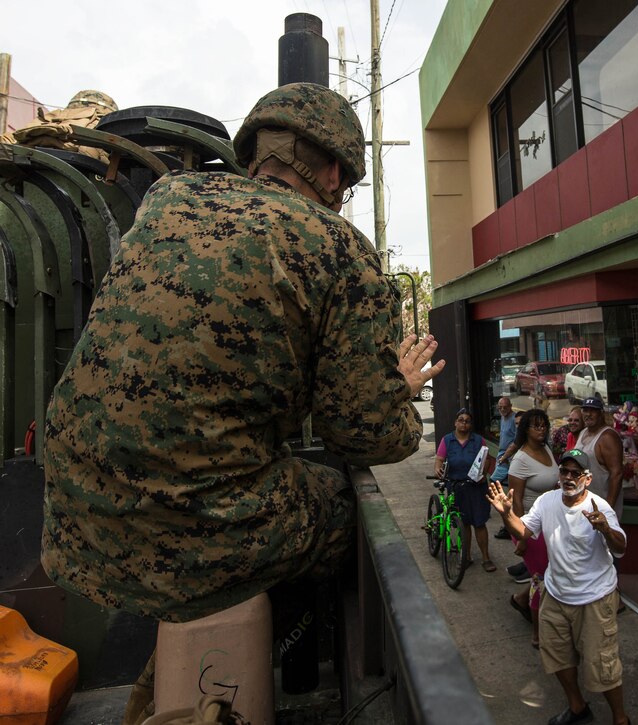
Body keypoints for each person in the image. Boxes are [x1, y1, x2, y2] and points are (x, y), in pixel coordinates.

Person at [40, 82, 442, 624]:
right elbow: (365, 433)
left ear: (252, 155)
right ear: (333, 175)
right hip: (185, 537)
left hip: (69, 514)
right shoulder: (341, 247)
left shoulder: (169, 197)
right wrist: (399, 391)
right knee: (342, 507)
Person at [487, 449, 629, 725]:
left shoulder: (600, 508)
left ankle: (620, 718)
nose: (568, 477)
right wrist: (506, 514)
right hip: (555, 594)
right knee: (557, 655)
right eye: (564, 471)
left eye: (575, 473)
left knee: (603, 665)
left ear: (587, 479)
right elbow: (523, 532)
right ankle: (577, 707)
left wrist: (605, 530)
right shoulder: (547, 501)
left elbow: (621, 548)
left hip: (594, 598)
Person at [505, 408, 559, 648]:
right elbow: (515, 502)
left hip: (551, 522)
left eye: (544, 425)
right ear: (525, 430)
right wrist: (522, 537)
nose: (542, 430)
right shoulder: (520, 460)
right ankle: (538, 635)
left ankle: (519, 599)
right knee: (541, 579)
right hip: (529, 526)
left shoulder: (546, 449)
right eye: (536, 426)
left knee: (549, 572)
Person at [434, 408, 496, 571]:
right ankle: (466, 556)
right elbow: (439, 460)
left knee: (480, 522)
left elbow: (487, 460)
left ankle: (485, 558)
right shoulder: (447, 440)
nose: (464, 423)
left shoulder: (478, 440)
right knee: (464, 523)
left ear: (471, 424)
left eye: (467, 421)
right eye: (460, 420)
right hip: (456, 486)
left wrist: (483, 474)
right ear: (455, 423)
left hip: (476, 487)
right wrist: (438, 470)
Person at [575, 398, 624, 516]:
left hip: (600, 509)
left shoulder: (608, 437)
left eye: (593, 411)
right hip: (583, 506)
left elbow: (617, 474)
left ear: (601, 413)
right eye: (585, 410)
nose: (588, 414)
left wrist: (607, 509)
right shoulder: (583, 432)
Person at [492, 396, 517, 540]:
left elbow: (516, 441)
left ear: (511, 406)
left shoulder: (513, 419)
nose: (502, 410)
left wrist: (507, 457)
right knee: (501, 488)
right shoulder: (503, 418)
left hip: (507, 458)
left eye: (505, 407)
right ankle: (507, 524)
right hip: (502, 455)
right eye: (500, 407)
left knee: (496, 485)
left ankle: (508, 524)